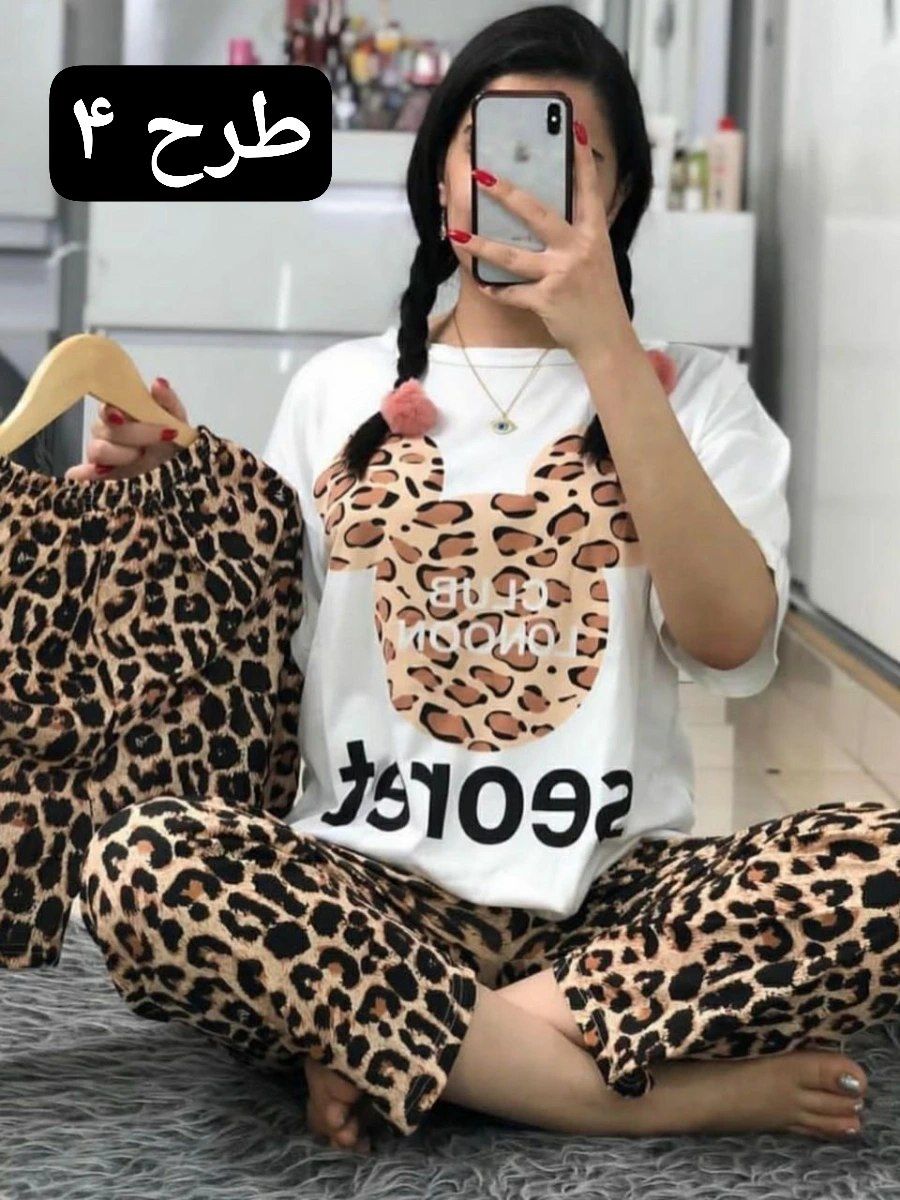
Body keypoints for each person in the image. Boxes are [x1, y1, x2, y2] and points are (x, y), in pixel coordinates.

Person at [68, 5, 894, 1157]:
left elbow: (729, 639)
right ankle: (643, 1093)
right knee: (140, 864)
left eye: (562, 153)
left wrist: (604, 345)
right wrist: (171, 504)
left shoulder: (696, 396)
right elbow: (251, 671)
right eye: (485, 148)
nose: (514, 183)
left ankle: (404, 1044)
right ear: (438, 176)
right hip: (365, 898)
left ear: (619, 192)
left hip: (609, 905)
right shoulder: (338, 388)